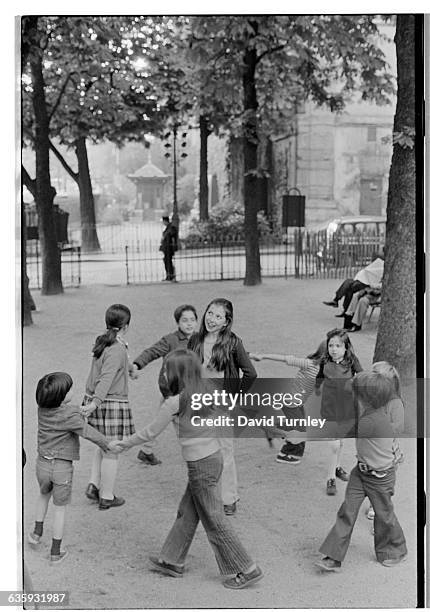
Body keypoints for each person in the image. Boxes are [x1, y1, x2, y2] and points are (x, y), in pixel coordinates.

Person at [115, 349, 263, 590]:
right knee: (188, 510)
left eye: (167, 369)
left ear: (177, 374)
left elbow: (150, 432)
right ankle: (171, 560)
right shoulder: (210, 390)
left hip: (200, 466)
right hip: (213, 459)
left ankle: (246, 568)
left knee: (214, 519)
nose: (164, 372)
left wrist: (122, 444)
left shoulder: (174, 402)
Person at [316, 371, 408, 571]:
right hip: (361, 473)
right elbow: (352, 385)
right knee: (347, 511)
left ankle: (395, 550)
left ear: (365, 398)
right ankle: (333, 556)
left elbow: (339, 431)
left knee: (384, 515)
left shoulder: (370, 421)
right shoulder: (370, 411)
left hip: (380, 478)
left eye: (356, 393)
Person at [28, 372, 119, 564]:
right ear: (61, 397)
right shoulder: (70, 415)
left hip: (42, 464)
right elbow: (87, 432)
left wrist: (79, 410)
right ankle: (55, 551)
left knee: (43, 496)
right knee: (60, 509)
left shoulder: (42, 409)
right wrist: (107, 444)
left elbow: (66, 412)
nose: (72, 390)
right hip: (61, 467)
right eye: (69, 389)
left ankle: (36, 533)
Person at [188, 298, 257, 515]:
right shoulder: (195, 340)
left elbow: (251, 373)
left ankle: (229, 498)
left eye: (219, 316)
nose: (212, 319)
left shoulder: (233, 343)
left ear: (226, 322)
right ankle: (205, 495)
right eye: (210, 313)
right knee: (200, 451)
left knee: (225, 451)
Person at [81, 304, 135, 510]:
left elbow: (112, 368)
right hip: (109, 402)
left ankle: (94, 485)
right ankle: (107, 495)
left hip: (98, 399)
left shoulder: (103, 341)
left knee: (103, 445)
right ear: (126, 326)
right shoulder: (116, 348)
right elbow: (106, 378)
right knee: (112, 449)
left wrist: (130, 369)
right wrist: (95, 403)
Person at [131, 304, 198, 465]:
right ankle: (194, 455)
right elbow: (152, 351)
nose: (189, 324)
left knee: (160, 419)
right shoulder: (170, 340)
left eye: (192, 320)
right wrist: (137, 364)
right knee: (181, 423)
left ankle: (147, 450)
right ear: (177, 323)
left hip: (189, 389)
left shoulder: (200, 339)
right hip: (172, 389)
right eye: (184, 320)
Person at [249, 341, 325, 464]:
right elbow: (285, 359)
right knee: (299, 431)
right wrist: (262, 356)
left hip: (297, 402)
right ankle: (284, 450)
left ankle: (279, 441)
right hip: (291, 402)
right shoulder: (309, 364)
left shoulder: (327, 370)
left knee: (296, 427)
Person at [315, 329, 363, 496]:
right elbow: (319, 377)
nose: (334, 349)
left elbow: (362, 377)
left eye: (338, 345)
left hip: (347, 407)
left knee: (340, 441)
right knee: (334, 444)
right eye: (330, 345)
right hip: (329, 408)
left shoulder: (352, 362)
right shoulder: (324, 362)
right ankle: (330, 479)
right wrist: (315, 390)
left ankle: (336, 468)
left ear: (346, 347)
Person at [365, 361, 405, 521]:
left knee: (383, 487)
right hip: (371, 451)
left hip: (387, 454)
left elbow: (396, 429)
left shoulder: (395, 404)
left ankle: (381, 518)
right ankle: (375, 502)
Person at [159, 215, 178, 282]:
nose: (162, 223)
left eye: (163, 221)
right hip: (166, 247)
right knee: (166, 261)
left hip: (169, 247)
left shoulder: (171, 228)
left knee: (168, 261)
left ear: (165, 221)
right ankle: (169, 275)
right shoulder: (168, 228)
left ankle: (171, 275)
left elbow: (172, 236)